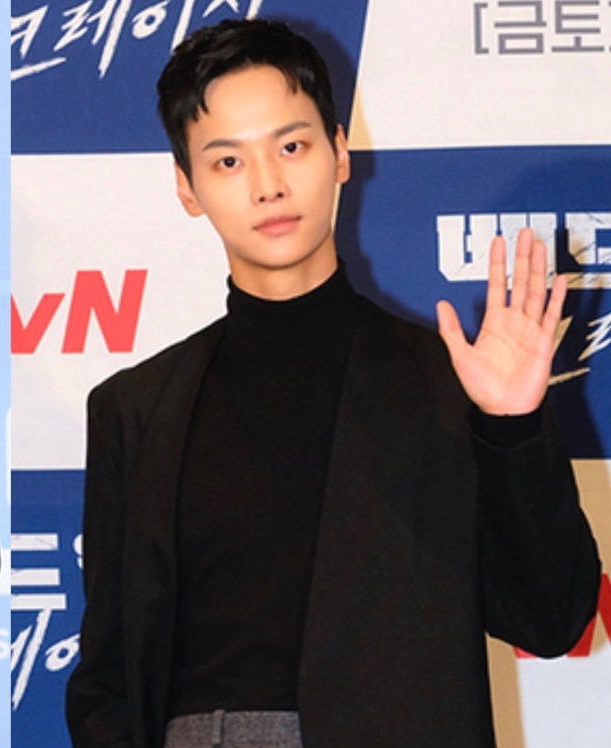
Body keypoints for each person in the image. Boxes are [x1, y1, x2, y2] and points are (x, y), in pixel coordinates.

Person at [65, 18, 600, 748]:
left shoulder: (449, 383)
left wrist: (510, 426)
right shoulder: (135, 409)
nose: (268, 185)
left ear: (340, 153)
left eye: (292, 147)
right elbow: (110, 673)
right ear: (187, 188)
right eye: (228, 162)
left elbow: (551, 620)